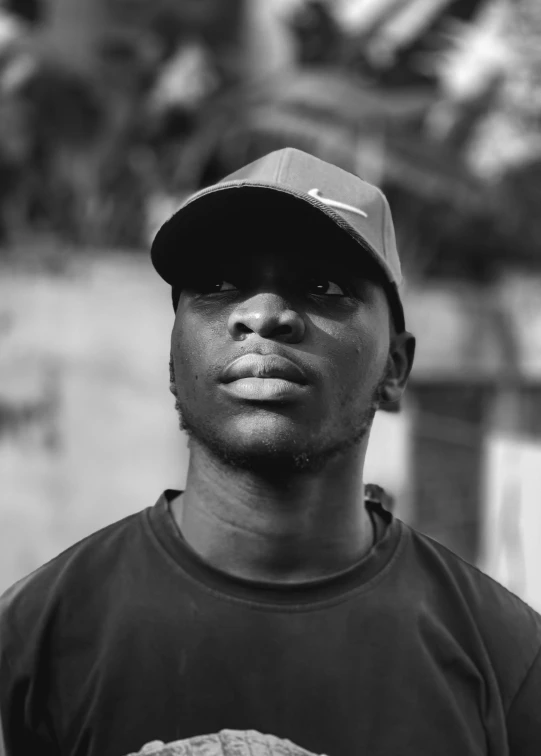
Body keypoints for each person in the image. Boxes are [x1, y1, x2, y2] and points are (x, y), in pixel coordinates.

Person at [1, 148, 540, 756]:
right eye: (218, 285)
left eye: (321, 285)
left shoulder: (509, 659)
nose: (262, 315)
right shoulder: (30, 642)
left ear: (395, 365)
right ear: (173, 355)